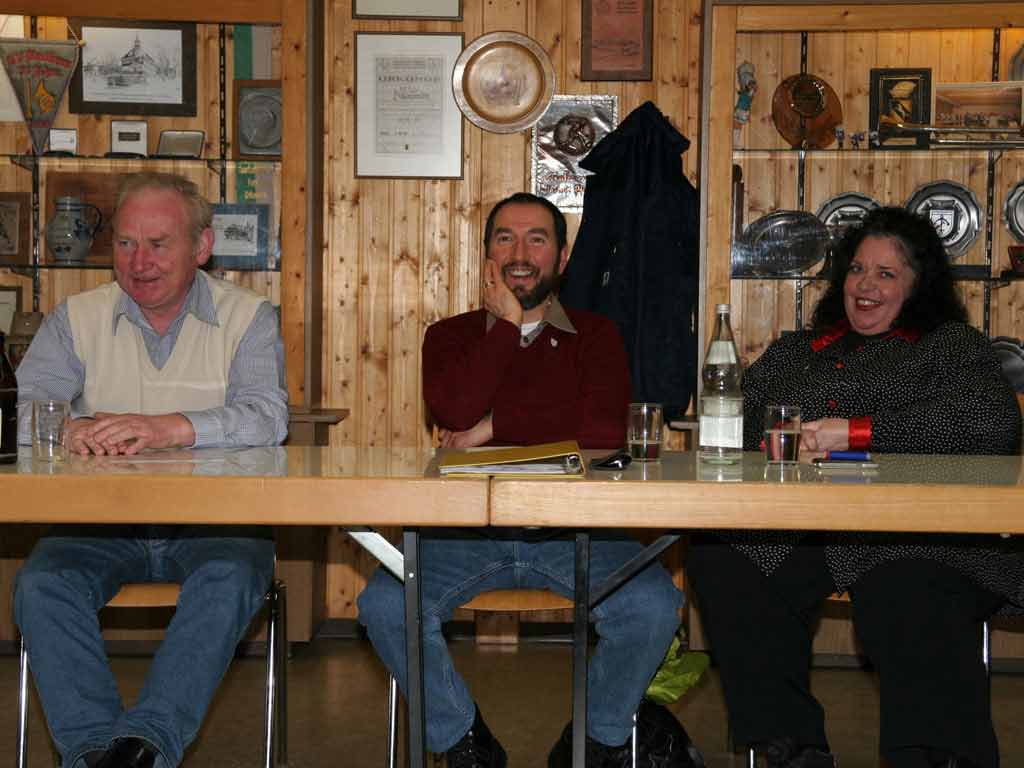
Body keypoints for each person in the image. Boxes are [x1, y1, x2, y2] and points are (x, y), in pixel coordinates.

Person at [357, 192, 691, 768]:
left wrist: (494, 426)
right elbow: (454, 408)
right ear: (486, 255)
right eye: (505, 238)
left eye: (537, 239)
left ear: (562, 258)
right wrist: (507, 327)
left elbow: (603, 428)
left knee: (654, 606)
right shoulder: (450, 336)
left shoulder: (597, 335)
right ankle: (462, 742)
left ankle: (597, 739)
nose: (519, 253)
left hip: (577, 533)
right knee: (386, 605)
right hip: (461, 534)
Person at [687, 206, 1022, 768]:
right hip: (814, 531)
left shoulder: (951, 346)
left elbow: (991, 423)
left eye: (886, 273)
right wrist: (781, 438)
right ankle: (791, 744)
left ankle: (937, 757)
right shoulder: (799, 351)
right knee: (721, 555)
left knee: (904, 592)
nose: (866, 285)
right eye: (858, 269)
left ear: (918, 285)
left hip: (923, 536)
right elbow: (735, 422)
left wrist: (858, 433)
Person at [14, 172, 288, 768]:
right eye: (125, 243)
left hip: (218, 524)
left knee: (230, 578)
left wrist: (171, 427)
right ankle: (95, 753)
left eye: (159, 244)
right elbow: (25, 408)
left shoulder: (249, 317)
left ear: (201, 247)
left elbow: (269, 417)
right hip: (97, 523)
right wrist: (65, 428)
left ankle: (144, 747)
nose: (139, 263)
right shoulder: (75, 318)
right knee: (40, 585)